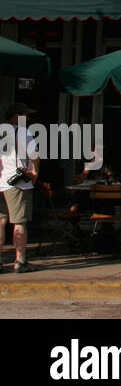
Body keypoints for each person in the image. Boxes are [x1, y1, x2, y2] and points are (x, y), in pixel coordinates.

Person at [0, 103, 39, 272]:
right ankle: (20, 261)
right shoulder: (22, 132)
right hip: (17, 183)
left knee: (0, 221)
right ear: (16, 115)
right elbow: (35, 155)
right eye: (26, 115)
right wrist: (35, 172)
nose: (28, 119)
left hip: (1, 181)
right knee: (19, 222)